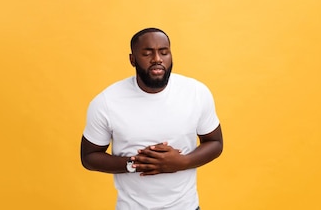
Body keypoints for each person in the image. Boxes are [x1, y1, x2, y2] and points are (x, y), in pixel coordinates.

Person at [80, 27, 224, 210]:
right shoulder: (106, 102)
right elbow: (89, 156)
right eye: (147, 53)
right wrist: (136, 163)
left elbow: (215, 142)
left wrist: (182, 162)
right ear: (132, 60)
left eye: (164, 52)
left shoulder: (196, 93)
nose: (157, 59)